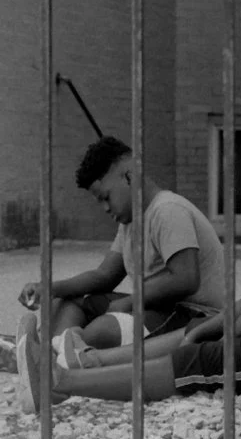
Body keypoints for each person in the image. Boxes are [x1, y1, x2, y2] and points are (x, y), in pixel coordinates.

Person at [16, 138, 241, 412]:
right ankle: (81, 361)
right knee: (197, 336)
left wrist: (208, 337)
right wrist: (205, 330)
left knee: (197, 362)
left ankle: (59, 383)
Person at [16, 136, 226, 358]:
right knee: (67, 300)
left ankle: (57, 354)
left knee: (104, 328)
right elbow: (104, 275)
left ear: (130, 177)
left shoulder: (168, 210)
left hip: (195, 317)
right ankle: (53, 352)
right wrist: (48, 288)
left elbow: (186, 278)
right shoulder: (130, 221)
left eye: (106, 197)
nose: (105, 208)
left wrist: (128, 303)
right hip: (157, 308)